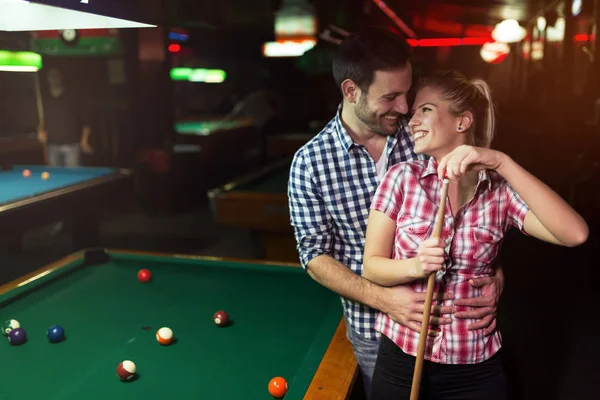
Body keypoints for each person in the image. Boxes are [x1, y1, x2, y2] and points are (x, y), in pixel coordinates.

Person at [287, 28, 505, 398]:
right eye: (390, 97)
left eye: (408, 93)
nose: (404, 108)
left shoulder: (424, 132)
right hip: (375, 332)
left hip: (457, 329)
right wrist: (385, 299)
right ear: (351, 91)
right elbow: (313, 255)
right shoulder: (309, 163)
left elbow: (481, 208)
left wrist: (497, 275)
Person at [363, 69, 589, 399]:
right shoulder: (401, 178)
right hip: (401, 362)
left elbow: (575, 234)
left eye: (424, 109)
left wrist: (501, 162)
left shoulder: (500, 193)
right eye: (412, 113)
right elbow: (372, 266)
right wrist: (415, 266)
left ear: (462, 122)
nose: (411, 121)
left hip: (473, 367)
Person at [37, 67, 93, 167]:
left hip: (72, 145)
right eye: (51, 76)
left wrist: (84, 141)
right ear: (47, 79)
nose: (54, 79)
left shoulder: (73, 96)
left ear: (61, 77)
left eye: (56, 76)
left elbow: (86, 122)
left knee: (74, 179)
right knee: (55, 178)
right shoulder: (44, 99)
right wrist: (40, 131)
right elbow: (40, 121)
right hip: (52, 145)